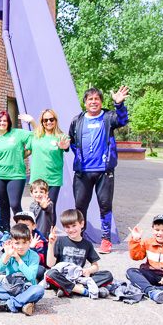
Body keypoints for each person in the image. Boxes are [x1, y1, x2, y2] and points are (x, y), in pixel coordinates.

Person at [68, 86, 130, 253]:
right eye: (90, 99)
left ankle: (106, 240)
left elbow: (123, 120)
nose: (94, 102)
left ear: (101, 102)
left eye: (97, 99)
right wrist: (80, 157)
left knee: (105, 205)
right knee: (80, 206)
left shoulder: (109, 117)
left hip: (104, 171)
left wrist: (119, 105)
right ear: (85, 102)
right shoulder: (77, 120)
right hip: (82, 172)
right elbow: (72, 141)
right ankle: (80, 238)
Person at [45, 209, 113, 298]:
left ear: (81, 224)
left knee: (107, 275)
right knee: (50, 274)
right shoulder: (60, 241)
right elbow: (50, 264)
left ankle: (68, 289)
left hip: (78, 277)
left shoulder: (87, 244)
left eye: (74, 225)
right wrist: (51, 244)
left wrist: (88, 270)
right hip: (63, 276)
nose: (71, 229)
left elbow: (95, 266)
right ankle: (83, 291)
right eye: (67, 227)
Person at [0, 111, 32, 232]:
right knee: (3, 205)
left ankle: (22, 230)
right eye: (0, 121)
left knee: (15, 204)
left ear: (9, 122)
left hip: (16, 175)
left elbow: (35, 138)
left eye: (5, 121)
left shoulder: (17, 133)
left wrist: (32, 121)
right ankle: (6, 231)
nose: (2, 123)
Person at [0, 223, 45, 316]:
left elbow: (31, 276)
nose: (21, 247)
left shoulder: (34, 256)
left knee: (39, 290)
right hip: (10, 287)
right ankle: (22, 302)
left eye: (24, 243)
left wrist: (18, 259)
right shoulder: (10, 252)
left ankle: (7, 304)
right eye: (17, 243)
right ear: (12, 242)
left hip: (26, 288)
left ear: (29, 242)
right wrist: (7, 255)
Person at [28, 109, 70, 215]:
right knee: (37, 208)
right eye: (45, 120)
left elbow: (66, 145)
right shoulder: (36, 136)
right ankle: (38, 231)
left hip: (53, 178)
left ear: (55, 120)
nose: (48, 122)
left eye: (51, 119)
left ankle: (51, 231)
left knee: (50, 207)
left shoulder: (61, 136)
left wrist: (64, 146)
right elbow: (27, 151)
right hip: (37, 178)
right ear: (42, 122)